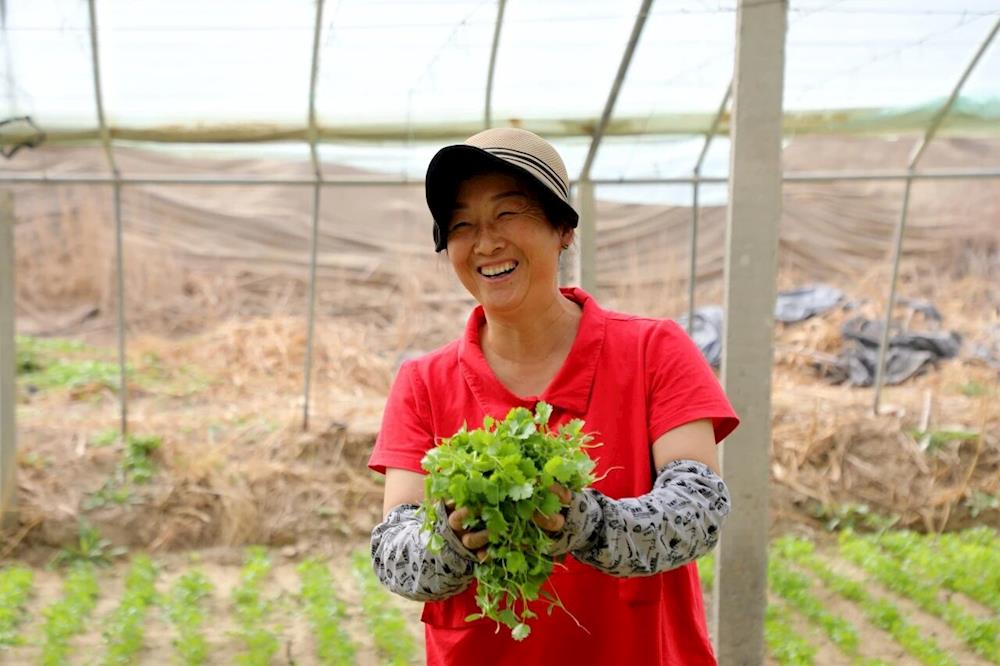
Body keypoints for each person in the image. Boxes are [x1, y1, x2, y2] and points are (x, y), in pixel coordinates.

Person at [367, 127, 739, 665]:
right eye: (462, 225)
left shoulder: (653, 349)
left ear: (563, 227)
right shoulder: (424, 382)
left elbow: (698, 508)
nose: (486, 242)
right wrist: (452, 540)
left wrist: (587, 523)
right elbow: (394, 552)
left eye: (508, 214)